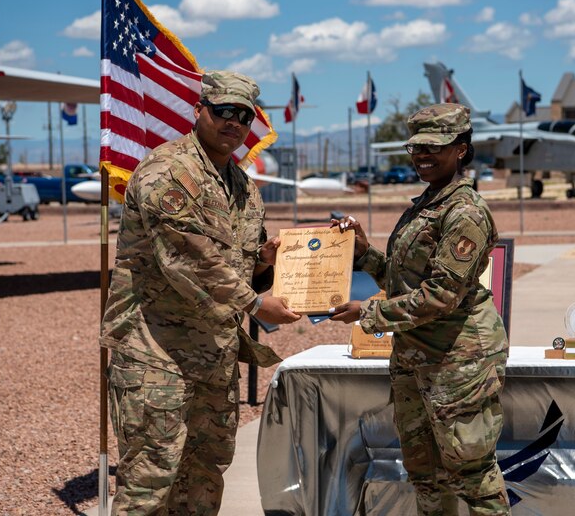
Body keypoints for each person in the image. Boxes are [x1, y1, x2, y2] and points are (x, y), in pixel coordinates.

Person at [100, 70, 301, 515]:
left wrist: (264, 264)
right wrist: (253, 302)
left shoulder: (242, 186)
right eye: (223, 111)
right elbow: (188, 261)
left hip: (213, 356)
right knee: (150, 480)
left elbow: (236, 267)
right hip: (156, 356)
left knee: (204, 475)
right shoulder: (168, 172)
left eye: (243, 115)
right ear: (199, 111)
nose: (233, 122)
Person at [330, 103, 511, 515]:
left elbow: (440, 295)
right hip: (415, 359)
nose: (422, 157)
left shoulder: (465, 212)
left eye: (435, 147)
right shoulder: (427, 204)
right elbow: (404, 282)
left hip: (457, 361)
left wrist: (369, 315)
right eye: (416, 149)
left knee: (471, 472)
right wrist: (362, 252)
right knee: (425, 473)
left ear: (462, 149)